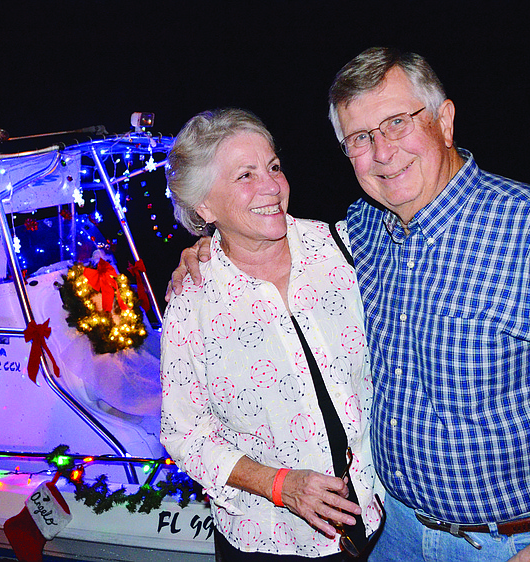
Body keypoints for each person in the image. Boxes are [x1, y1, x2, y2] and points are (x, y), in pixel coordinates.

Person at [167, 48, 530, 562]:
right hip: (393, 533)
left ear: (444, 121)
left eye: (397, 122)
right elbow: (186, 424)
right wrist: (210, 247)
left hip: (507, 543)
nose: (383, 152)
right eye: (360, 138)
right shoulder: (364, 233)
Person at [159, 108, 384, 561]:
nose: (272, 186)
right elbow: (185, 433)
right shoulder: (194, 303)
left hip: (382, 525)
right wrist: (279, 485)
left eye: (274, 167)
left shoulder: (344, 250)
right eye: (246, 175)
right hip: (270, 540)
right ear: (204, 206)